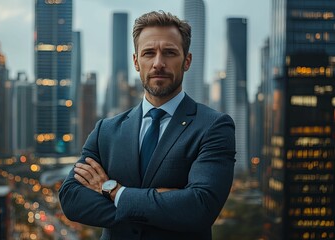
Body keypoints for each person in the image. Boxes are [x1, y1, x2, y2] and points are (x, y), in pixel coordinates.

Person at [59, 11, 236, 240]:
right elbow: (71, 199)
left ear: (187, 61)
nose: (158, 63)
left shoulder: (214, 127)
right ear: (136, 61)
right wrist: (163, 207)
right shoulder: (107, 130)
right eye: (149, 53)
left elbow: (198, 208)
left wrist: (115, 192)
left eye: (170, 53)